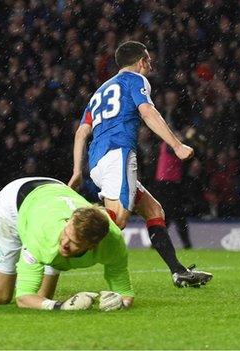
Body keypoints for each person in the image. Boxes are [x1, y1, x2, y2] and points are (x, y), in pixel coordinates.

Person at [69, 41, 212, 287]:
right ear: (140, 61)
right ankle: (60, 241)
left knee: (154, 211)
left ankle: (178, 272)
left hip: (96, 162)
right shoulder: (135, 80)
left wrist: (76, 171)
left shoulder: (100, 91)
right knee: (118, 220)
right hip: (118, 154)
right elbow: (148, 113)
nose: (150, 64)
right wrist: (177, 145)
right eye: (148, 59)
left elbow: (82, 132)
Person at [0, 177, 133, 311]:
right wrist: (60, 306)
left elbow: (125, 292)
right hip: (14, 202)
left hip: (47, 195)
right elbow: (23, 298)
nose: (64, 243)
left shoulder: (113, 243)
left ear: (93, 245)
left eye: (74, 243)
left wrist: (119, 303)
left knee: (43, 294)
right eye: (66, 234)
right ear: (68, 221)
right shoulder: (45, 238)